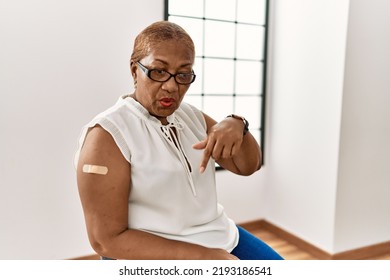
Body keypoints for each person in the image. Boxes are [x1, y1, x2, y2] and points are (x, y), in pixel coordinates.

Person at [75, 20, 283, 260]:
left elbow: (248, 165)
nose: (172, 86)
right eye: (159, 71)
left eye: (183, 74)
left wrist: (238, 124)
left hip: (220, 237)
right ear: (134, 70)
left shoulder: (191, 116)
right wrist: (204, 257)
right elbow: (106, 241)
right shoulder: (107, 135)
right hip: (152, 253)